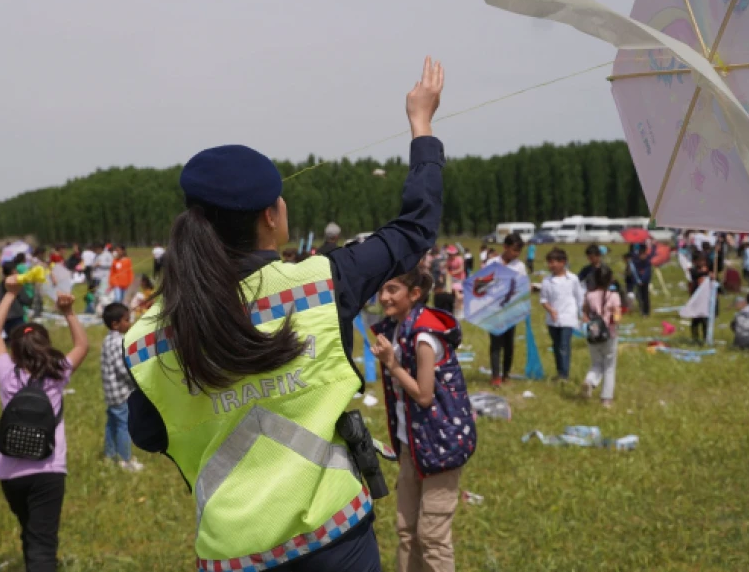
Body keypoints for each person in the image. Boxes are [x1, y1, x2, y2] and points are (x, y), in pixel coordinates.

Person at [125, 57, 446, 571]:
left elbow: (148, 434)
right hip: (337, 542)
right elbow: (415, 228)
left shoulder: (147, 335)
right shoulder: (321, 283)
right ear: (271, 218)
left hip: (233, 555)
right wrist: (422, 126)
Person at [370, 267, 474, 572]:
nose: (384, 297)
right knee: (406, 529)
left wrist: (392, 365)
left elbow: (424, 395)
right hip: (411, 445)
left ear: (414, 295)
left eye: (392, 290)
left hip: (440, 446)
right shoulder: (397, 329)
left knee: (432, 535)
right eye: (382, 289)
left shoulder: (425, 337)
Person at [0, 281, 88, 572]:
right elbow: (82, 345)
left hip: (9, 470)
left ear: (14, 353)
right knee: (43, 543)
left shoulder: (7, 375)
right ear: (46, 347)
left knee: (29, 529)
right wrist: (68, 312)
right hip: (48, 469)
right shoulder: (57, 374)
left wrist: (10, 294)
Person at [100, 302, 143, 472]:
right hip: (122, 394)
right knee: (124, 425)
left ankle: (110, 456)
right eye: (126, 320)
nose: (130, 322)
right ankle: (126, 460)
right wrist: (138, 381)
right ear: (115, 324)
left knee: (112, 424)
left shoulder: (108, 340)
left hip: (111, 394)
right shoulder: (119, 342)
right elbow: (123, 369)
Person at [485, 234, 527, 387]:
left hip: (511, 309)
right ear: (505, 247)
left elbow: (522, 286)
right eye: (514, 250)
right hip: (494, 310)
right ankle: (495, 376)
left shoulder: (519, 266)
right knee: (495, 343)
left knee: (509, 343)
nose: (515, 254)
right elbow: (483, 285)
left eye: (518, 251)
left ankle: (506, 374)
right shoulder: (492, 263)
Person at [540, 248, 583, 381]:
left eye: (554, 262)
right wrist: (551, 310)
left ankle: (564, 375)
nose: (551, 265)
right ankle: (559, 371)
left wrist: (583, 314)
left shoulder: (572, 279)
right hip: (553, 320)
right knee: (556, 346)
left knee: (564, 346)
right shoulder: (547, 280)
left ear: (563, 262)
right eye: (549, 263)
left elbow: (579, 297)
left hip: (568, 318)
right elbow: (543, 300)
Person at [582, 265, 621, 408]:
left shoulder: (589, 295)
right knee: (609, 366)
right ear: (610, 279)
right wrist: (615, 322)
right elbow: (617, 316)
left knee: (596, 363)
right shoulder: (614, 296)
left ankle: (590, 381)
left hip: (593, 333)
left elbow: (585, 314)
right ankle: (606, 398)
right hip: (609, 334)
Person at [0, 262, 34, 338]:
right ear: (13, 271)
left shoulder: (0, 285)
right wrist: (30, 289)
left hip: (3, 318)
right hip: (17, 318)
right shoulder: (16, 285)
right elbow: (26, 300)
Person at [688, 255, 713, 343]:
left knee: (705, 321)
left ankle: (705, 338)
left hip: (705, 299)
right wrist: (705, 273)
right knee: (696, 320)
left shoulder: (708, 272)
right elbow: (695, 275)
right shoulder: (693, 270)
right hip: (697, 298)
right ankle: (695, 338)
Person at [628, 242, 656, 317]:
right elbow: (634, 270)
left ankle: (646, 311)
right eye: (641, 254)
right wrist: (638, 280)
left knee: (646, 297)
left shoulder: (647, 262)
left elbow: (647, 272)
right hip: (638, 282)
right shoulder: (636, 261)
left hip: (645, 282)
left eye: (644, 254)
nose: (643, 256)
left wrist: (653, 245)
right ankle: (642, 311)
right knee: (640, 297)